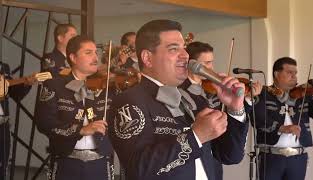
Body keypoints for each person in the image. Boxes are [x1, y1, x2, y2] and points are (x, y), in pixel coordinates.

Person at [108, 19, 246, 180]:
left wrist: (235, 109)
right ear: (147, 58)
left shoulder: (192, 100)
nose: (185, 55)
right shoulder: (129, 102)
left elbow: (230, 156)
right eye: (173, 49)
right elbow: (138, 168)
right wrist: (195, 137)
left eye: (184, 49)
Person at [35, 35, 114, 180]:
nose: (95, 57)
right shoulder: (54, 85)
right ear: (73, 57)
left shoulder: (106, 86)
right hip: (66, 161)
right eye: (88, 52)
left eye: (96, 52)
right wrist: (81, 130)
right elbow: (44, 123)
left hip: (101, 161)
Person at [179, 41, 249, 180]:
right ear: (191, 64)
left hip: (214, 166)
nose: (211, 68)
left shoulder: (215, 91)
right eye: (205, 63)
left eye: (211, 62)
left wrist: (236, 109)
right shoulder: (178, 92)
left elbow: (229, 147)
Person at [245, 57, 313, 180]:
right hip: (271, 157)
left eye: (295, 73)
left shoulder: (303, 95)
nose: (294, 76)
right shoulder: (263, 93)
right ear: (276, 74)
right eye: (289, 72)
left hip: (297, 158)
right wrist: (281, 128)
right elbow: (258, 118)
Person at [0, 62, 35, 180]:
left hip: (2, 126)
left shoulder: (3, 67)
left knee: (2, 165)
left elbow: (15, 94)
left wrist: (26, 84)